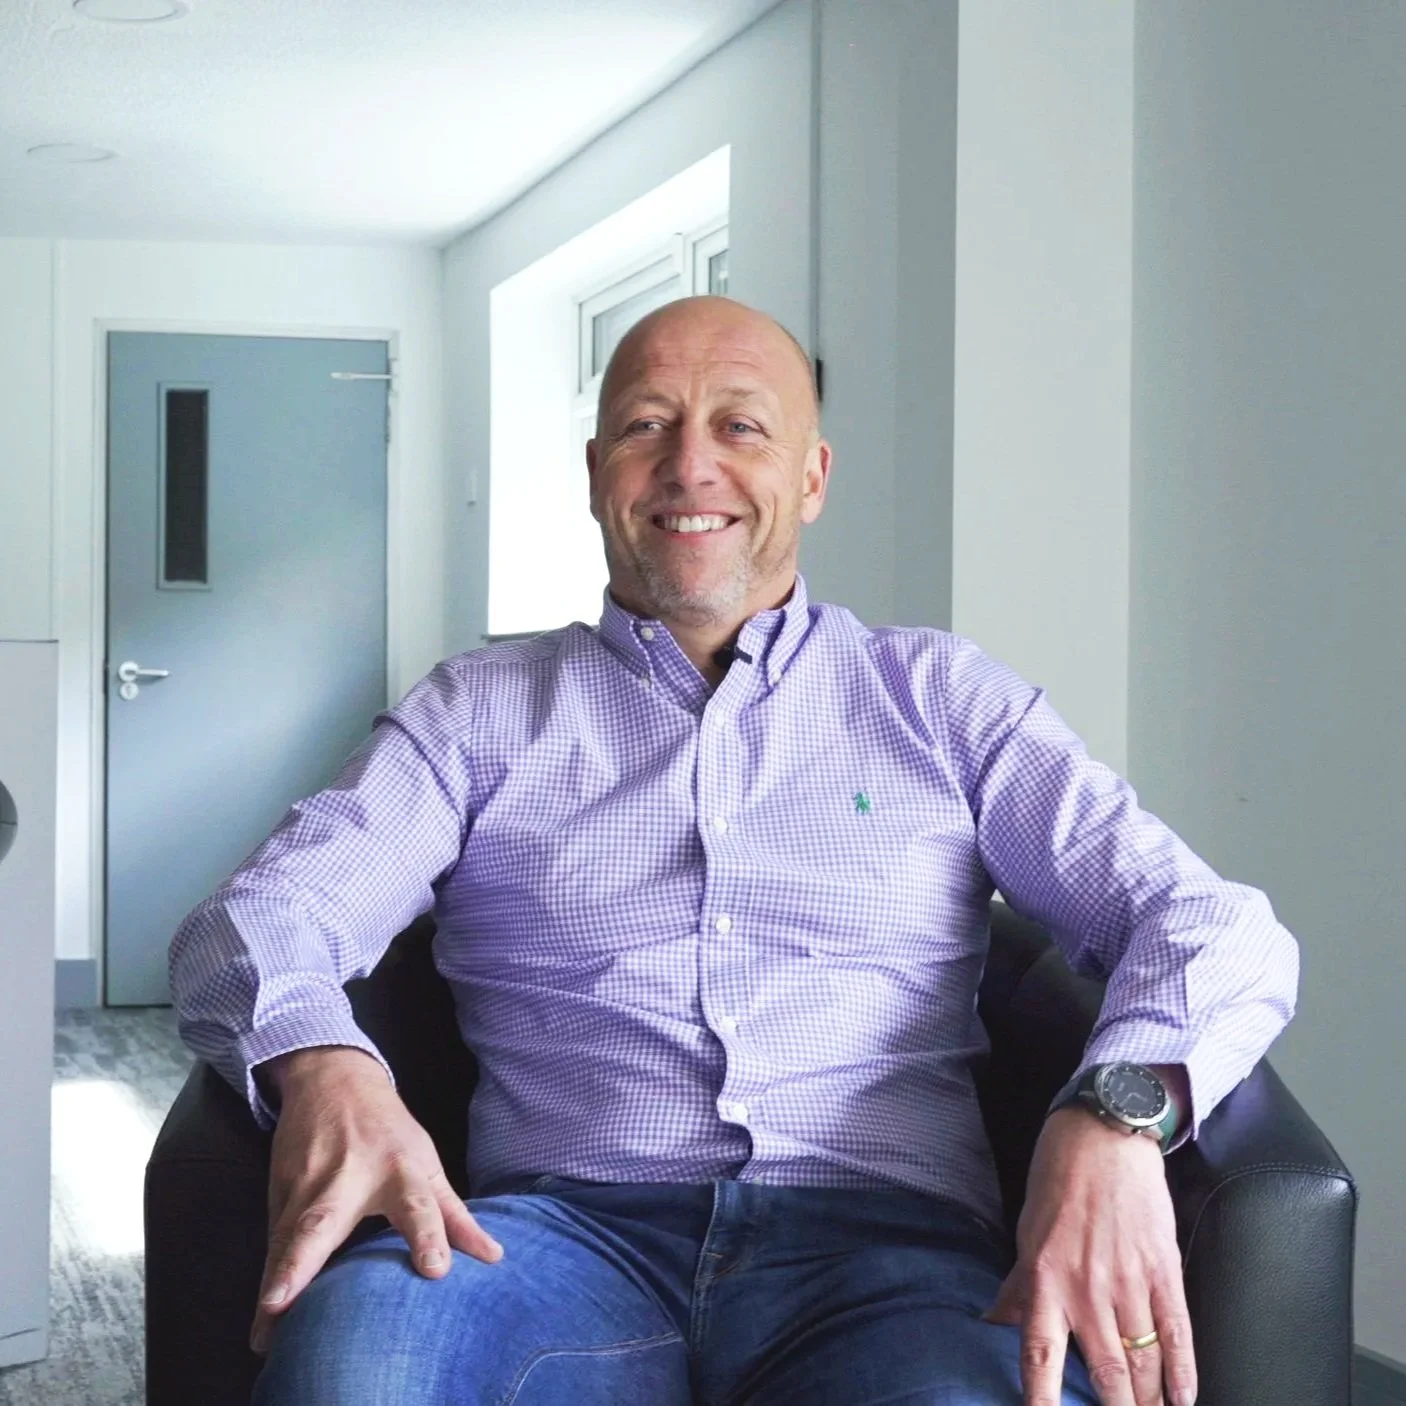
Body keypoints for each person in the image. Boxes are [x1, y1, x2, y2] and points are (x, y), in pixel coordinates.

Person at [170, 295, 1297, 1406]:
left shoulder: (942, 700)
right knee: (358, 1363)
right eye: (645, 424)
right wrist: (326, 1061)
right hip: (553, 1246)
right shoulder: (477, 710)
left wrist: (1114, 1112)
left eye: (739, 426)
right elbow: (259, 916)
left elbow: (1208, 923)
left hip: (893, 1265)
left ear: (810, 476)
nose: (687, 466)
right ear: (595, 467)